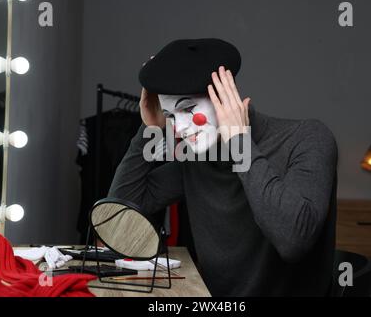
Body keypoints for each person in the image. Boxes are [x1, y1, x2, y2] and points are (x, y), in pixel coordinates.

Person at [108, 38, 338, 296]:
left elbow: (293, 241)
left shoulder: (308, 138)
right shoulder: (198, 156)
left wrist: (240, 142)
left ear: (226, 98)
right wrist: (148, 130)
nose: (180, 129)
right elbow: (118, 214)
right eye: (172, 116)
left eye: (188, 109)